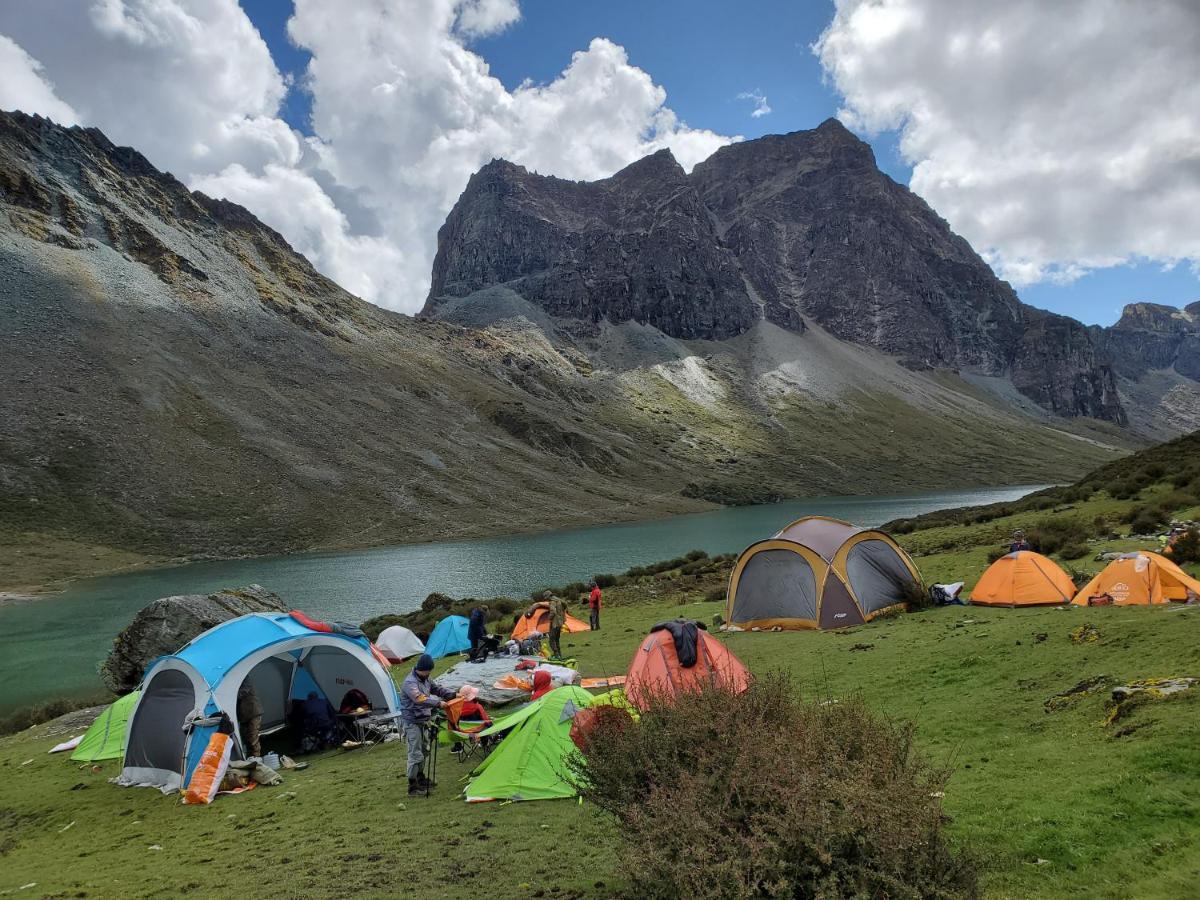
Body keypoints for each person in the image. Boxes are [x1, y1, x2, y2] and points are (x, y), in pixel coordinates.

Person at [400, 653, 456, 795]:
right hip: (412, 722)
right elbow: (419, 699)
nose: (429, 673)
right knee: (415, 753)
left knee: (424, 751)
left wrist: (451, 694)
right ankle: (412, 786)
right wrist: (438, 703)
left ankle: (421, 778)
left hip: (424, 721)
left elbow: (436, 689)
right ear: (422, 668)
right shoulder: (410, 683)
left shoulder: (425, 679)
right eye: (428, 670)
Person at [236, 682, 263, 759]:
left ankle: (256, 759)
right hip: (243, 714)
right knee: (245, 737)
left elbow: (244, 691)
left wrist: (230, 696)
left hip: (253, 711)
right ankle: (251, 759)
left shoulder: (244, 678)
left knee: (253, 735)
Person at [545, 590, 566, 658]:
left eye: (546, 597)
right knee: (557, 640)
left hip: (555, 623)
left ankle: (556, 655)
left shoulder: (552, 602)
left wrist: (549, 618)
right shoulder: (558, 600)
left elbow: (553, 612)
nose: (546, 599)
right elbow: (565, 604)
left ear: (548, 596)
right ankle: (560, 655)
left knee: (551, 640)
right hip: (560, 622)